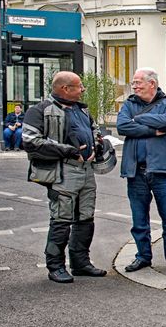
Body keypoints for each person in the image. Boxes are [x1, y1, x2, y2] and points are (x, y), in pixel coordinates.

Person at [22, 72, 106, 283]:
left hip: (86, 170)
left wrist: (97, 144)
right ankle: (56, 266)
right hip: (62, 172)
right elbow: (31, 141)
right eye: (79, 87)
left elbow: (95, 131)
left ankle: (81, 263)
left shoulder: (82, 109)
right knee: (61, 219)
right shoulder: (39, 110)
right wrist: (69, 150)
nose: (82, 90)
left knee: (86, 216)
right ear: (64, 89)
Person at [117, 68, 166, 274]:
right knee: (139, 220)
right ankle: (143, 256)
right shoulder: (129, 103)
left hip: (162, 170)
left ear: (152, 84)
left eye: (138, 83)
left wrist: (137, 119)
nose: (134, 86)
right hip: (135, 171)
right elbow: (122, 126)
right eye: (133, 83)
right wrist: (151, 128)